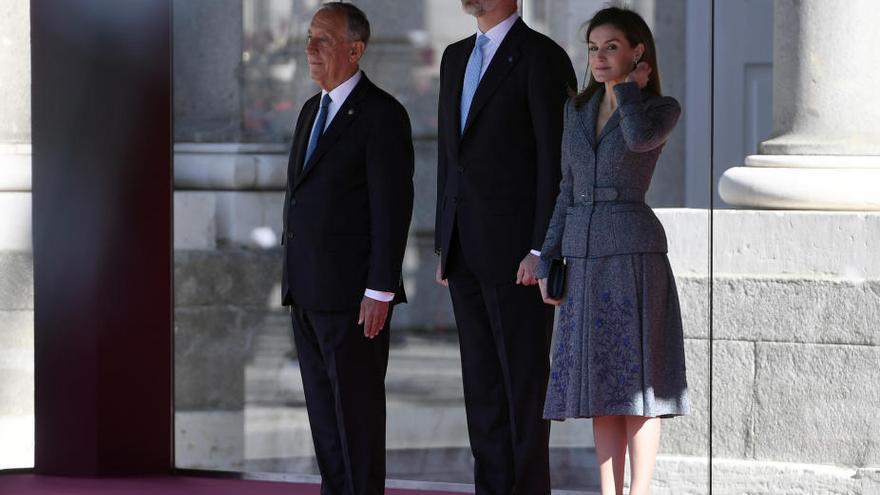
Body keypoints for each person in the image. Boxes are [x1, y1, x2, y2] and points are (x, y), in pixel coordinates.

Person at [535, 6, 690, 495]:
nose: (599, 58)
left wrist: (627, 90)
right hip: (581, 257)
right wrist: (547, 255)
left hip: (632, 256)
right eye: (593, 48)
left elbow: (640, 139)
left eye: (612, 47)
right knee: (599, 385)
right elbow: (566, 187)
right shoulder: (574, 109)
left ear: (637, 51)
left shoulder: (660, 108)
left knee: (639, 389)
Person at [434, 1, 576, 493]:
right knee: (482, 389)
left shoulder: (542, 57)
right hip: (464, 250)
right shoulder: (454, 57)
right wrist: (443, 241)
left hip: (520, 255)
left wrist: (542, 248)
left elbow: (554, 161)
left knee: (522, 387)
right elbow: (449, 155)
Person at [280, 3, 414, 494]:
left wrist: (380, 289)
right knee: (324, 423)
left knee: (355, 420)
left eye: (324, 39)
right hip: (307, 290)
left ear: (355, 50)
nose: (310, 48)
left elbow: (392, 208)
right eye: (310, 37)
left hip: (355, 300)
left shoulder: (382, 115)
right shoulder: (310, 110)